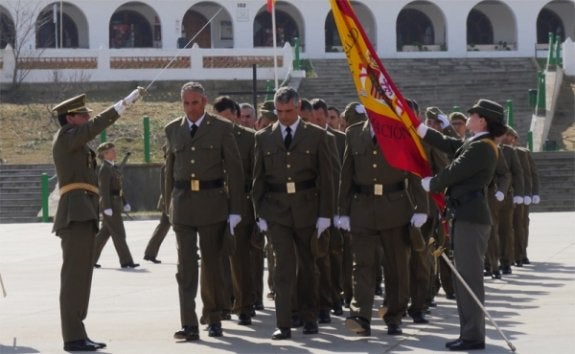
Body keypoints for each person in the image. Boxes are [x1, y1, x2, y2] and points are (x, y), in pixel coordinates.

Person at [51, 87, 144, 351]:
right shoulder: (67, 137)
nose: (87, 119)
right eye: (83, 115)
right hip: (75, 213)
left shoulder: (74, 140)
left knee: (81, 278)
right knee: (74, 278)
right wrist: (122, 105)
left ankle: (77, 332)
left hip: (84, 211)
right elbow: (95, 127)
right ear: (71, 118)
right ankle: (72, 336)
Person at [418, 98, 508, 351]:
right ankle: (468, 332)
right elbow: (449, 144)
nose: (469, 116)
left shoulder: (482, 147)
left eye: (474, 114)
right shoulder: (476, 143)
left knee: (469, 279)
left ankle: (473, 335)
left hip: (471, 218)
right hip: (465, 215)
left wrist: (432, 183)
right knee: (463, 278)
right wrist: (422, 130)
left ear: (484, 120)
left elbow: (455, 169)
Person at [252, 86, 334, 340]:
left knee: (308, 267)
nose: (284, 116)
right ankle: (284, 322)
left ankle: (309, 317)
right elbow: (258, 178)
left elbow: (328, 178)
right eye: (279, 111)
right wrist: (259, 212)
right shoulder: (264, 137)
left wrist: (325, 214)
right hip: (276, 210)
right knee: (283, 267)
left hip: (308, 208)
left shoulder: (318, 136)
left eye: (288, 111)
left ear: (298, 108)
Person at [164, 81, 244, 341]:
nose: (190, 108)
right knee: (185, 268)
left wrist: (235, 209)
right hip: (183, 205)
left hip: (213, 204)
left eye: (195, 102)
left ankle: (214, 317)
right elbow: (169, 171)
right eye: (186, 103)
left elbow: (234, 169)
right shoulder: (173, 129)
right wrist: (169, 206)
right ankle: (188, 324)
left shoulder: (221, 128)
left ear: (205, 102)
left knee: (212, 265)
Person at [339, 110, 428, 337]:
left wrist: (422, 207)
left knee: (396, 266)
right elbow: (346, 174)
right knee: (362, 265)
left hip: (395, 207)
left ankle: (394, 315)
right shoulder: (353, 133)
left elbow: (415, 169)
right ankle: (361, 316)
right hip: (362, 207)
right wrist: (343, 211)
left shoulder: (400, 133)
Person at [212, 95, 258, 325]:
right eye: (220, 118)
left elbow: (257, 174)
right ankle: (222, 304)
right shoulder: (209, 137)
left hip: (241, 203)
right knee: (217, 259)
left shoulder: (250, 139)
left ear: (237, 117)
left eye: (228, 118)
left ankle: (244, 305)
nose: (224, 123)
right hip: (215, 203)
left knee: (240, 258)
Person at [93, 142, 139, 269]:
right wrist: (107, 207)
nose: (115, 152)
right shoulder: (104, 169)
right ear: (105, 154)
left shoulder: (112, 168)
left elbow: (118, 188)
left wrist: (125, 202)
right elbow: (104, 190)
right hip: (110, 206)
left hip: (115, 204)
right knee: (119, 233)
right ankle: (126, 261)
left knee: (104, 234)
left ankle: (89, 260)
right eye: (112, 151)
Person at [143, 144, 170, 264]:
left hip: (173, 202)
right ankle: (150, 253)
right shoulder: (167, 166)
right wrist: (167, 204)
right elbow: (165, 188)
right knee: (185, 228)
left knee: (162, 228)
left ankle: (150, 253)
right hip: (170, 203)